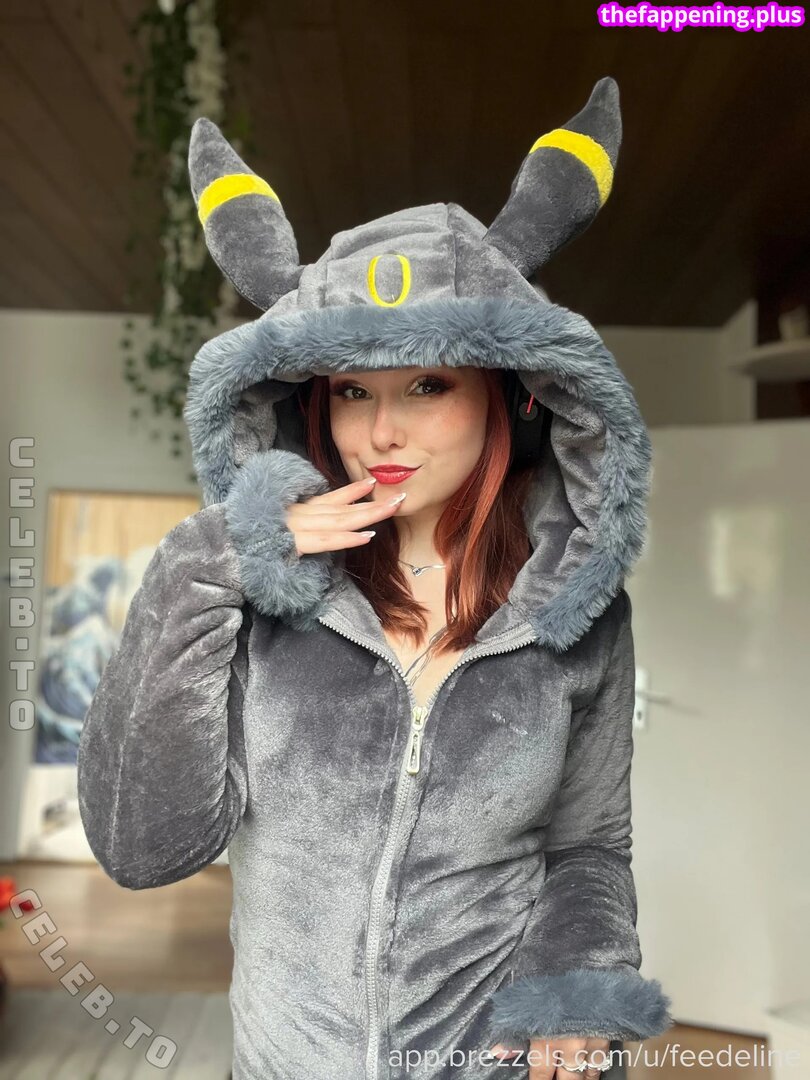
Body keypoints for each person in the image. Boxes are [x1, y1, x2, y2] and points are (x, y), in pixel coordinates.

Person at [77, 76, 673, 1080]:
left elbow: (587, 849)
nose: (381, 431)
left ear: (511, 394)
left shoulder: (577, 611)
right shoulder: (262, 597)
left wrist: (577, 994)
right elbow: (143, 850)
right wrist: (206, 563)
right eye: (353, 390)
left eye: (427, 384)